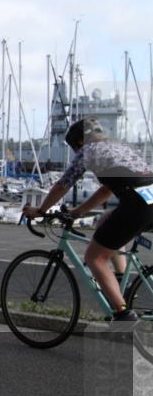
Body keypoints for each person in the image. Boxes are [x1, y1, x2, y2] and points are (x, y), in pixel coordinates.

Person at [23, 117, 153, 322]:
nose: (76, 151)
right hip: (149, 198)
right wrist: (78, 212)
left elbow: (62, 185)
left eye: (74, 147)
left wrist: (40, 210)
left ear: (80, 142)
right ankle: (121, 282)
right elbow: (105, 191)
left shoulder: (88, 151)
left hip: (136, 204)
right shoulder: (118, 148)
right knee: (105, 219)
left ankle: (124, 316)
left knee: (95, 258)